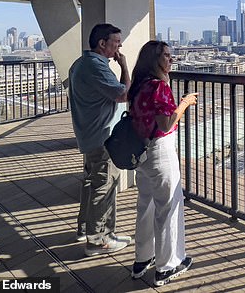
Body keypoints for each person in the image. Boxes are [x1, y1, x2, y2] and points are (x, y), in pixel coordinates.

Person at [127, 41, 197, 286]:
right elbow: (166, 124)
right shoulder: (159, 87)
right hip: (160, 150)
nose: (171, 60)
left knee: (145, 205)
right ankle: (167, 266)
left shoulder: (138, 85)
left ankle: (142, 259)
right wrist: (185, 103)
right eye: (166, 56)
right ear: (155, 60)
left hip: (141, 152)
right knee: (168, 207)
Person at [68, 23, 132, 256]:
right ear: (102, 43)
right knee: (104, 186)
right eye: (116, 42)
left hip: (88, 133)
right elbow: (123, 94)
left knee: (92, 182)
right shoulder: (96, 66)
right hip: (102, 136)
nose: (120, 46)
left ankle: (88, 229)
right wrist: (124, 65)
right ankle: (98, 240)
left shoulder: (80, 63)